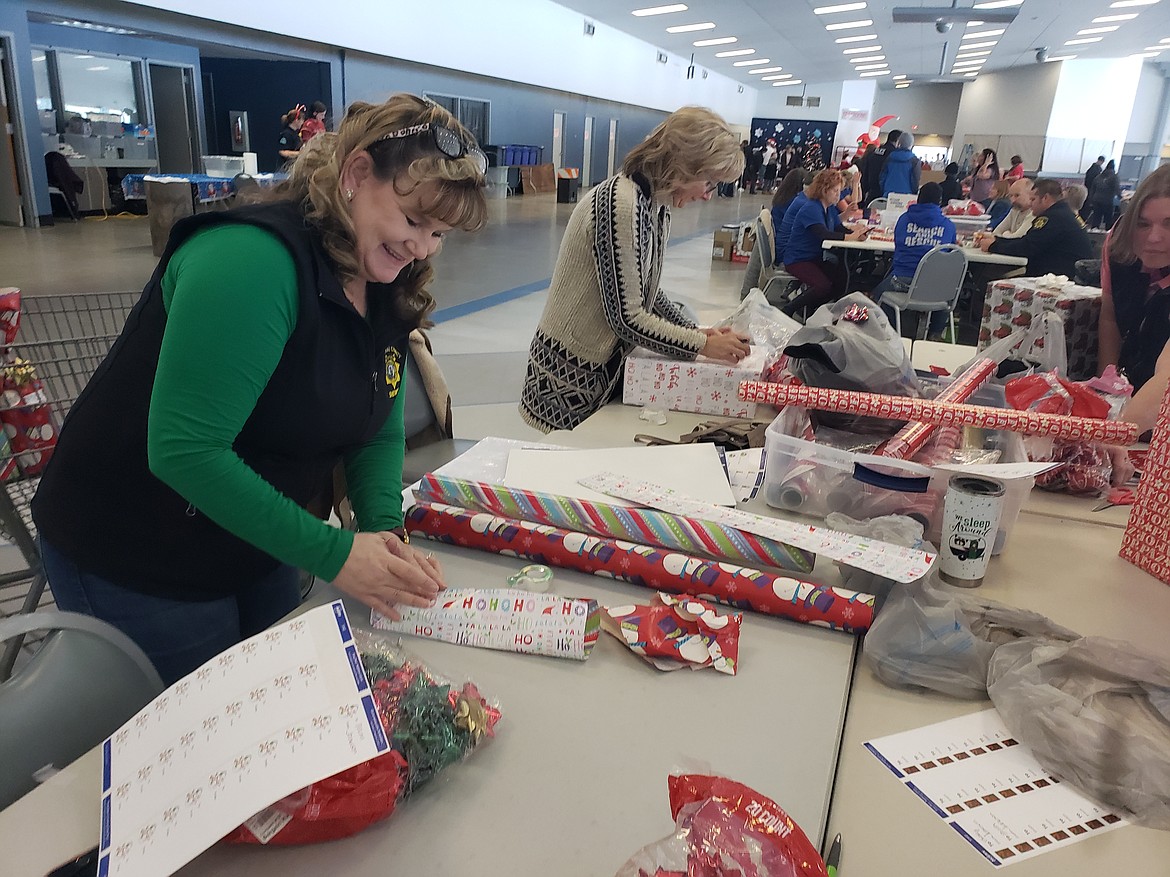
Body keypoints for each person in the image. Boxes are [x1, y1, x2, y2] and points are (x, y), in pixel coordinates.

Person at [30, 93, 489, 685]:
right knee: (204, 741)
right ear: (355, 175)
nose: (422, 248)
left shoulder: (382, 277)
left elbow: (375, 424)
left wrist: (381, 531)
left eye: (439, 233)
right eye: (412, 221)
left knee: (281, 705)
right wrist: (336, 554)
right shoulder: (249, 261)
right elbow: (185, 449)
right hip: (138, 548)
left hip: (256, 534)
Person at [519, 106, 749, 433]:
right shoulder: (620, 205)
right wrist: (700, 346)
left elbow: (646, 292)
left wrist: (698, 333)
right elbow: (627, 317)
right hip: (570, 377)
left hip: (601, 371)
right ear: (685, 166)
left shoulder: (655, 207)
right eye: (709, 182)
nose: (707, 195)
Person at [1097, 164, 1170, 393]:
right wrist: (1107, 388)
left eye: (1169, 224)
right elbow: (1110, 316)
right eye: (1143, 224)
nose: (1154, 237)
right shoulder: (1117, 244)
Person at [872, 182, 958, 340]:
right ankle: (935, 333)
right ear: (940, 202)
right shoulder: (948, 225)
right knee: (944, 289)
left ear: (918, 199)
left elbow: (898, 247)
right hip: (934, 285)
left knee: (878, 292)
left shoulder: (904, 220)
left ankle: (890, 334)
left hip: (902, 281)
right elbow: (951, 252)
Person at [781, 168, 868, 317]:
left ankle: (812, 310)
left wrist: (857, 234)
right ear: (824, 190)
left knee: (841, 279)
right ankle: (790, 309)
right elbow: (824, 234)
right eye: (835, 191)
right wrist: (851, 236)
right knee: (823, 285)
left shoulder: (828, 208)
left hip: (812, 258)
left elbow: (838, 227)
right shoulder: (811, 208)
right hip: (798, 259)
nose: (838, 195)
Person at [981, 178, 1093, 278]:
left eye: (1033, 199)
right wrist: (997, 240)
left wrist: (994, 246)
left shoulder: (1052, 217)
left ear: (1045, 198)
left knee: (988, 275)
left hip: (1059, 278)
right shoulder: (1062, 213)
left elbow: (1027, 247)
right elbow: (1027, 241)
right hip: (1064, 273)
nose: (1030, 204)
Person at [859, 128, 901, 205]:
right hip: (884, 192)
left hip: (871, 190)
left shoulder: (875, 151)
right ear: (898, 141)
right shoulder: (894, 155)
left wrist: (864, 188)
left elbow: (866, 170)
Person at [880, 131, 920, 197]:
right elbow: (915, 181)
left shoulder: (890, 157)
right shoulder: (914, 161)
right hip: (907, 196)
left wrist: (884, 190)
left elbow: (882, 177)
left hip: (888, 195)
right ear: (911, 144)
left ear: (899, 143)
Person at [1087, 159, 1121, 229]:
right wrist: (1121, 197)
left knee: (1096, 218)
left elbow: (1092, 189)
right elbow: (1117, 189)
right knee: (1108, 219)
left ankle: (1094, 234)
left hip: (1096, 200)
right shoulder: (1114, 177)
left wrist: (1091, 200)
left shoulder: (1098, 176)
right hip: (1107, 201)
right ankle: (1108, 235)